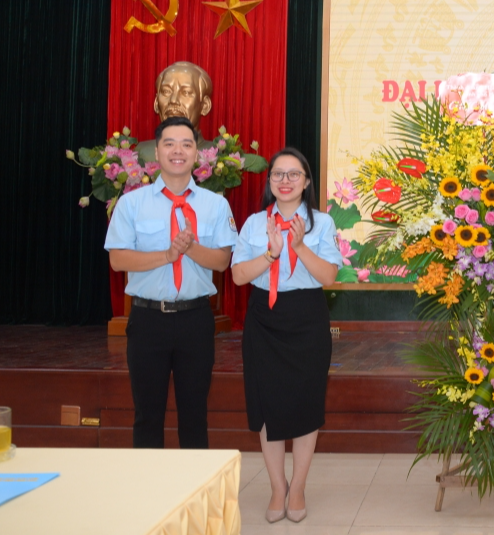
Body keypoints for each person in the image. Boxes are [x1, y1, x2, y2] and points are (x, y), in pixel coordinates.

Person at [105, 116, 237, 449]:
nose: (178, 151)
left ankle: (194, 496)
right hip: (148, 320)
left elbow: (222, 261)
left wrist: (190, 248)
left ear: (197, 153)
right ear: (156, 153)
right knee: (147, 415)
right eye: (169, 143)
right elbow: (118, 259)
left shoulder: (215, 205)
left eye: (186, 144)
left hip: (195, 320)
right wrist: (167, 255)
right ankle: (150, 497)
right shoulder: (132, 204)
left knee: (195, 416)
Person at [231, 148, 341, 523]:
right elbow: (238, 276)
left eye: (294, 174)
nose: (285, 181)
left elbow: (328, 278)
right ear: (270, 181)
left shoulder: (322, 224)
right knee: (267, 408)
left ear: (306, 182)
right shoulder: (252, 224)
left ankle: (298, 487)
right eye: (278, 174)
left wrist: (298, 247)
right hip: (264, 318)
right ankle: (277, 487)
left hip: (308, 318)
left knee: (306, 405)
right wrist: (270, 255)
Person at [137, 61, 215, 161]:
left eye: (186, 92)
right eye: (166, 91)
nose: (173, 100)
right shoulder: (141, 154)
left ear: (205, 106)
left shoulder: (220, 159)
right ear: (156, 103)